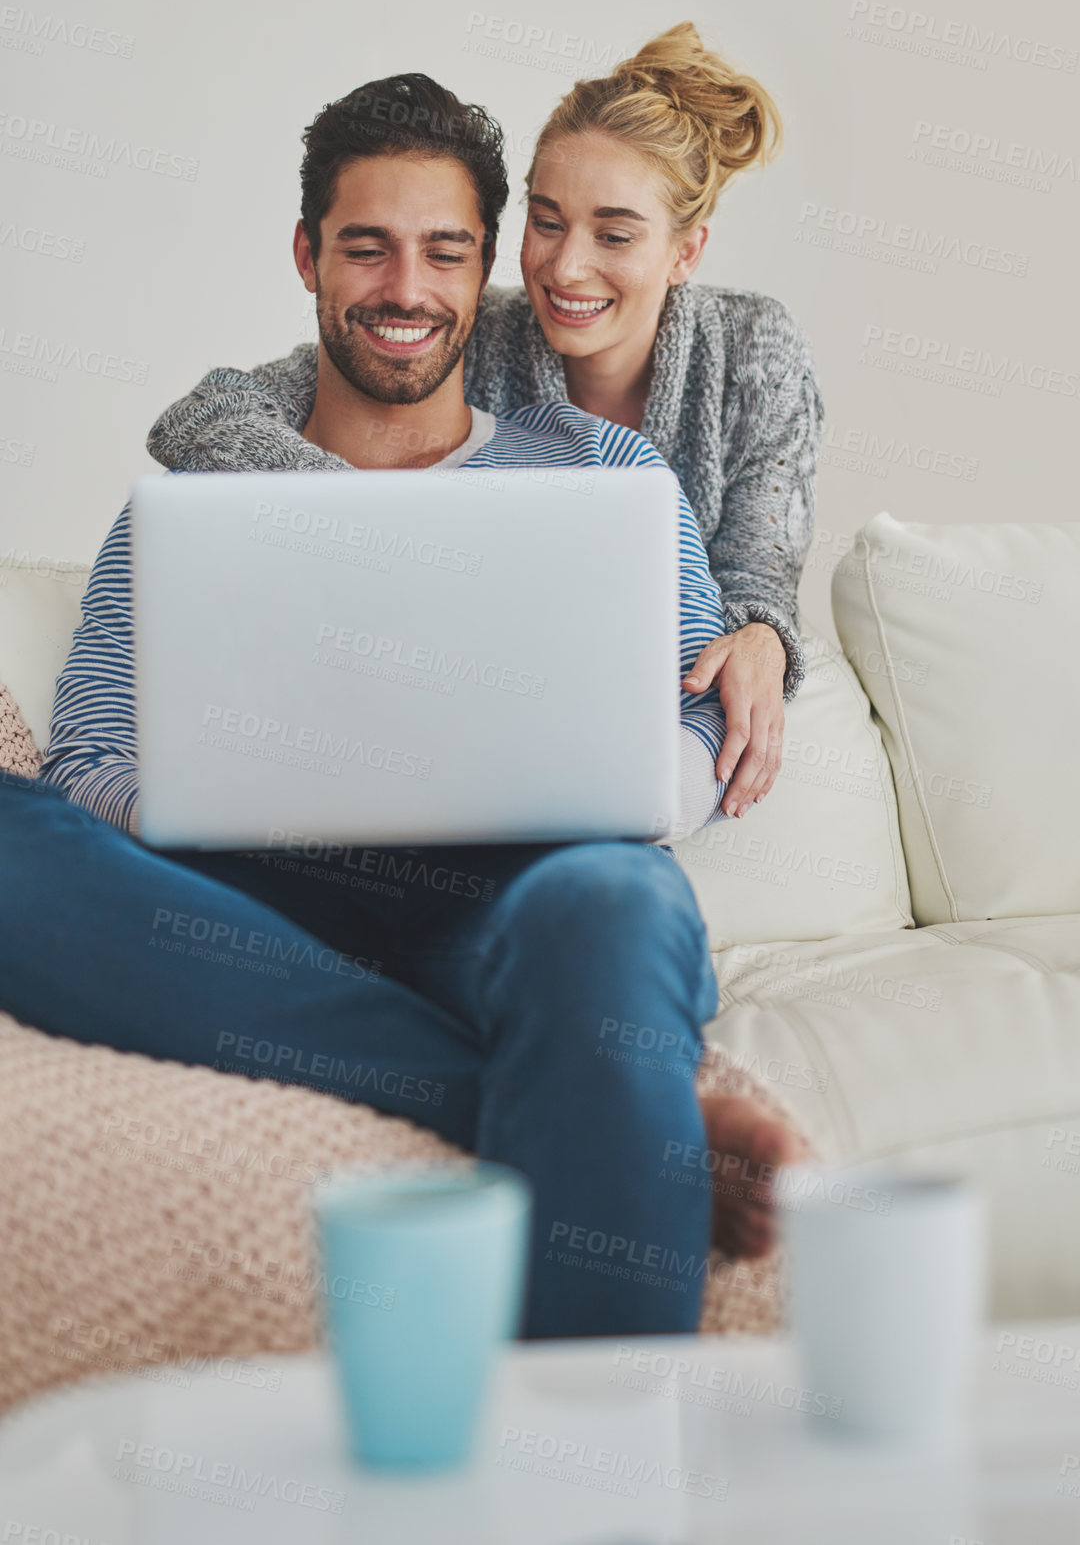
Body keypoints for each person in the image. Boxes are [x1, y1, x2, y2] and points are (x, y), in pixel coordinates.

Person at [0, 70, 804, 1342]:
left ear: (483, 272)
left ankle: (597, 1482)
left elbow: (699, 718)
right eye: (365, 248)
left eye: (443, 252)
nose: (403, 289)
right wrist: (218, 801)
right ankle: (596, 1107)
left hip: (522, 898)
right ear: (307, 258)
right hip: (252, 910)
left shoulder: (601, 468)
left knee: (608, 902)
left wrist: (654, 772)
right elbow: (91, 753)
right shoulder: (192, 503)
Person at [148, 22, 824, 821]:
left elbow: (758, 564)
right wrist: (359, 517)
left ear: (685, 252)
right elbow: (214, 415)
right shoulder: (469, 332)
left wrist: (762, 637)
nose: (566, 267)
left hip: (643, 703)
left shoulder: (754, 349)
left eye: (614, 234)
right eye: (546, 221)